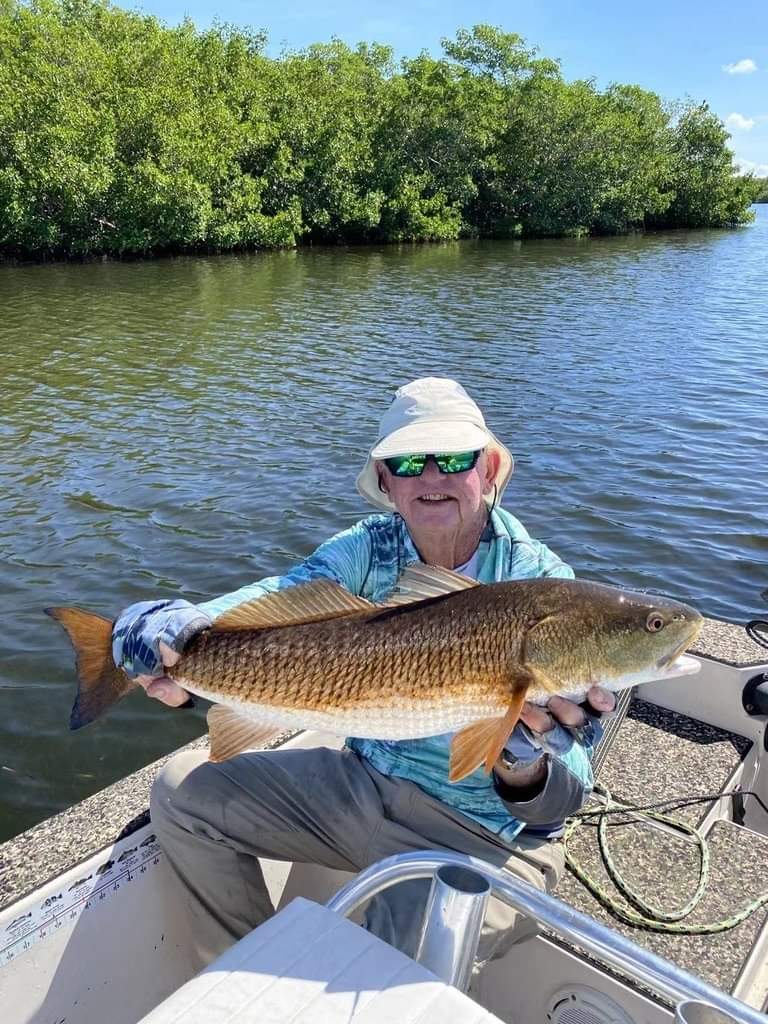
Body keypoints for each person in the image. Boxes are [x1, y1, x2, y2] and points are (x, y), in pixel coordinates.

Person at [112, 377, 615, 971]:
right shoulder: (367, 549)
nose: (431, 477)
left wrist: (522, 761)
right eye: (407, 461)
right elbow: (277, 597)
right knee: (183, 793)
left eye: (453, 457)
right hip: (363, 787)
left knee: (380, 974)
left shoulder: (549, 591)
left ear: (489, 468)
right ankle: (251, 983)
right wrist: (164, 627)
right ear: (385, 481)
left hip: (484, 840)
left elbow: (560, 801)